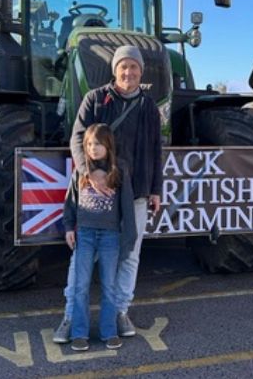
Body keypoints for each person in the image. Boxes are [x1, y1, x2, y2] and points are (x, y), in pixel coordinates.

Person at [53, 44, 163, 344]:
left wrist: (155, 189)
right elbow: (78, 136)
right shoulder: (94, 99)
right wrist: (89, 172)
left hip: (135, 193)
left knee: (129, 255)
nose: (129, 72)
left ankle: (119, 312)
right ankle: (70, 317)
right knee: (82, 259)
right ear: (115, 70)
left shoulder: (148, 107)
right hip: (95, 193)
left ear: (141, 72)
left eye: (134, 68)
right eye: (123, 67)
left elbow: (155, 150)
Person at [61, 124, 137, 351]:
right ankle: (79, 333)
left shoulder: (119, 170)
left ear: (109, 145)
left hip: (110, 237)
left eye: (99, 144)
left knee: (109, 286)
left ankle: (109, 332)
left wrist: (128, 240)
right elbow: (70, 203)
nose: (94, 148)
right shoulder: (80, 172)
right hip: (84, 235)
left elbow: (127, 210)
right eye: (90, 144)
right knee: (81, 286)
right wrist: (68, 228)